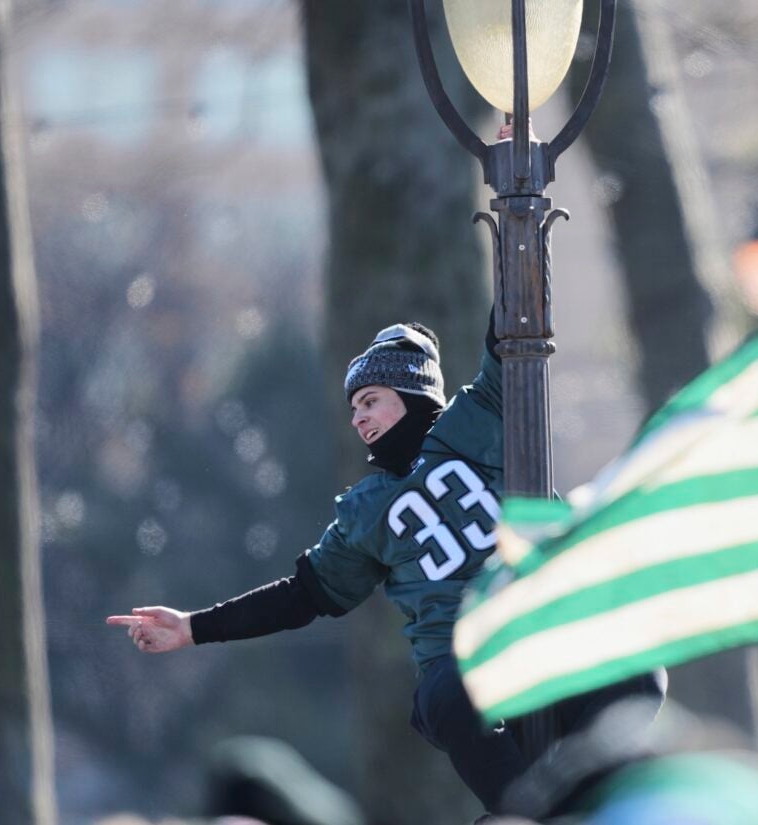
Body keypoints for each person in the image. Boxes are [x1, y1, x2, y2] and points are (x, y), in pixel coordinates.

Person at [108, 316, 663, 815]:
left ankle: (596, 793)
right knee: (446, 695)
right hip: (467, 665)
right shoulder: (363, 511)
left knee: (641, 671)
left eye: (370, 400)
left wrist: (518, 231)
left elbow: (511, 331)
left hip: (549, 626)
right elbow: (303, 596)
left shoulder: (480, 417)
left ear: (411, 393)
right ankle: (529, 814)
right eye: (353, 409)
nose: (359, 418)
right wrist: (194, 627)